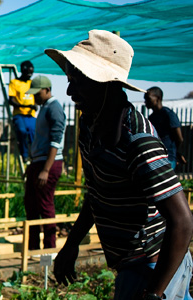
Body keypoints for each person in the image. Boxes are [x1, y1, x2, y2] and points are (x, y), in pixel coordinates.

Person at [49, 30, 193, 300]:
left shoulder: (138, 141)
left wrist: (154, 293)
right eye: (69, 80)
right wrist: (71, 244)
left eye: (77, 81)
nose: (69, 91)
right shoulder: (90, 129)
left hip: (156, 266)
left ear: (104, 83)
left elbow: (183, 221)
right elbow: (99, 192)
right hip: (130, 263)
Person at [23, 76, 65, 252]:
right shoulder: (44, 108)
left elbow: (56, 141)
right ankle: (32, 248)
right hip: (38, 162)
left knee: (45, 205)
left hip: (48, 164)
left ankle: (49, 248)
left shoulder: (54, 108)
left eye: (37, 92)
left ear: (47, 90)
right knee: (31, 204)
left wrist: (46, 170)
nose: (35, 97)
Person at [144, 86, 187, 169]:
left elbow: (179, 138)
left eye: (148, 98)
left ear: (158, 98)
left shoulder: (168, 114)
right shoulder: (151, 117)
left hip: (168, 158)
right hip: (155, 156)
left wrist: (177, 153)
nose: (145, 102)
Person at [8, 60, 37, 161]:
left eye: (31, 73)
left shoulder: (32, 83)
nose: (30, 75)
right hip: (19, 114)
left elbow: (37, 99)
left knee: (33, 133)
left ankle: (34, 154)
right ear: (23, 71)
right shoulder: (14, 83)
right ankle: (24, 154)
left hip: (31, 115)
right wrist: (24, 106)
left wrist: (34, 106)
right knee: (22, 131)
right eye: (28, 72)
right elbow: (11, 100)